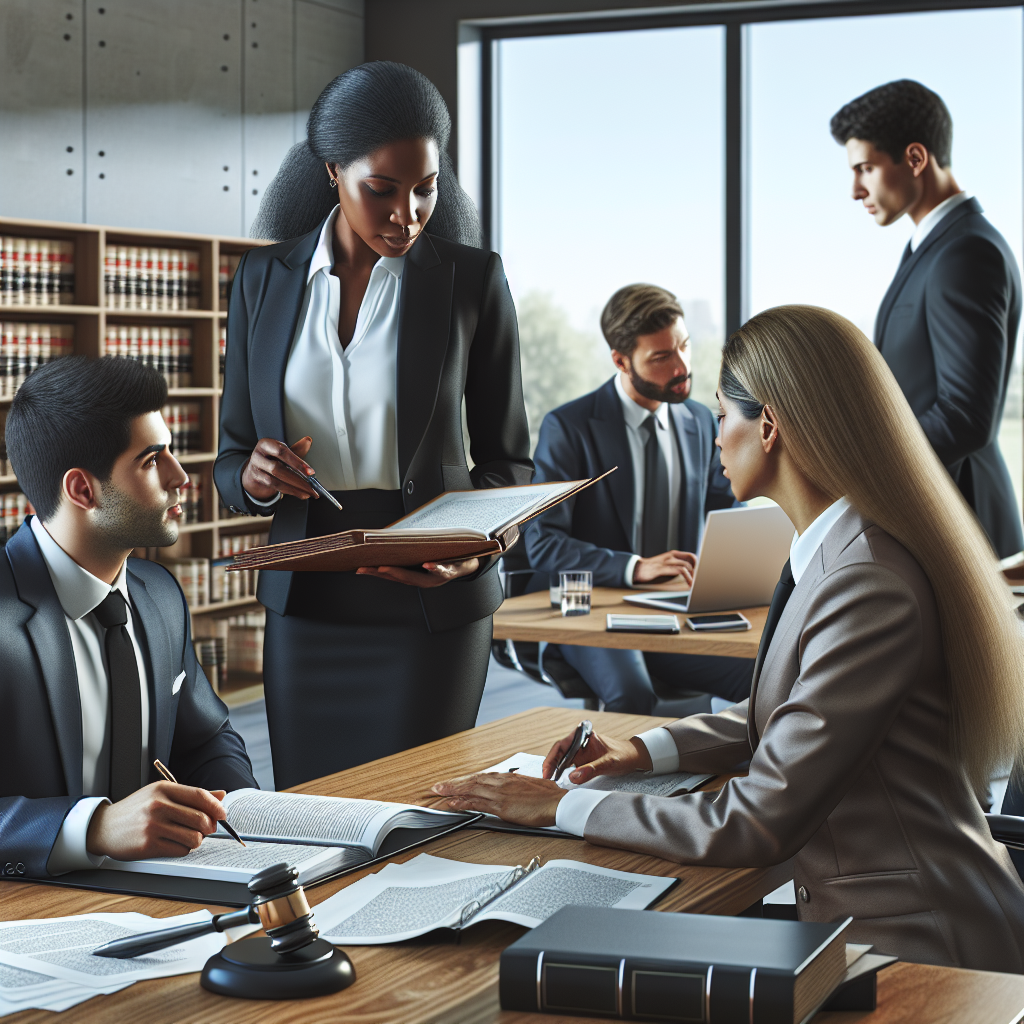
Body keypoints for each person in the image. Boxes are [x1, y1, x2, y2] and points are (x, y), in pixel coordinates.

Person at [433, 305, 1024, 971]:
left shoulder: (868, 583)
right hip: (876, 917)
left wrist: (563, 805)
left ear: (768, 425)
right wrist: (641, 750)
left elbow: (758, 818)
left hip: (924, 947)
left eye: (723, 415)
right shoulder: (838, 551)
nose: (714, 437)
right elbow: (788, 716)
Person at [215, 62, 531, 789]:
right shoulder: (263, 280)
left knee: (419, 816)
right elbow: (231, 455)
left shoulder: (472, 281)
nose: (408, 213)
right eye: (381, 191)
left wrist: (478, 547)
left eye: (426, 189)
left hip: (431, 601)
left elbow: (510, 462)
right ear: (332, 172)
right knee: (311, 808)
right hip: (308, 605)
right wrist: (254, 475)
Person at [1, 356, 256, 879]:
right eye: (151, 460)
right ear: (82, 490)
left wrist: (242, 808)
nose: (181, 476)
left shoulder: (159, 593)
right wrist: (94, 828)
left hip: (170, 892)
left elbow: (205, 738)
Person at [524, 284, 749, 712]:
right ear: (621, 360)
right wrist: (636, 568)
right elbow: (543, 543)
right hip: (592, 612)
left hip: (674, 613)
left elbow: (727, 513)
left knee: (768, 675)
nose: (682, 366)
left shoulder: (701, 421)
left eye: (684, 347)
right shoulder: (570, 428)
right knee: (633, 694)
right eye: (661, 357)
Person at [831, 79, 1023, 558]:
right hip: (938, 507)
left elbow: (964, 416)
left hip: (961, 514)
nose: (856, 190)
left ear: (915, 158)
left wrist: (863, 467)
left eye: (866, 168)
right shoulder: (934, 247)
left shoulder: (965, 251)